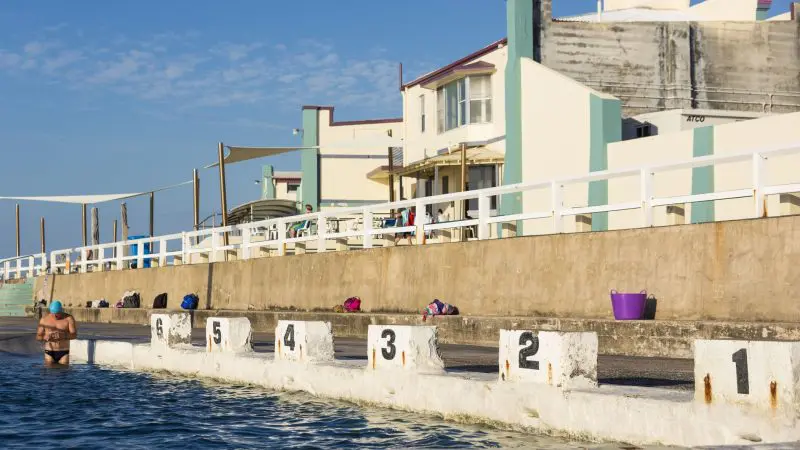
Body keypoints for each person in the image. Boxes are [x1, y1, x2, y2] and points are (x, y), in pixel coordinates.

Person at [36, 301, 78, 366]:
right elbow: (38, 336)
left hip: (64, 352)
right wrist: (45, 337)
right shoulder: (44, 320)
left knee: (63, 373)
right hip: (49, 352)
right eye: (53, 313)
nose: (55, 315)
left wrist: (63, 335)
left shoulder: (69, 318)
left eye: (57, 313)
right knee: (49, 373)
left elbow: (74, 335)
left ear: (61, 311)